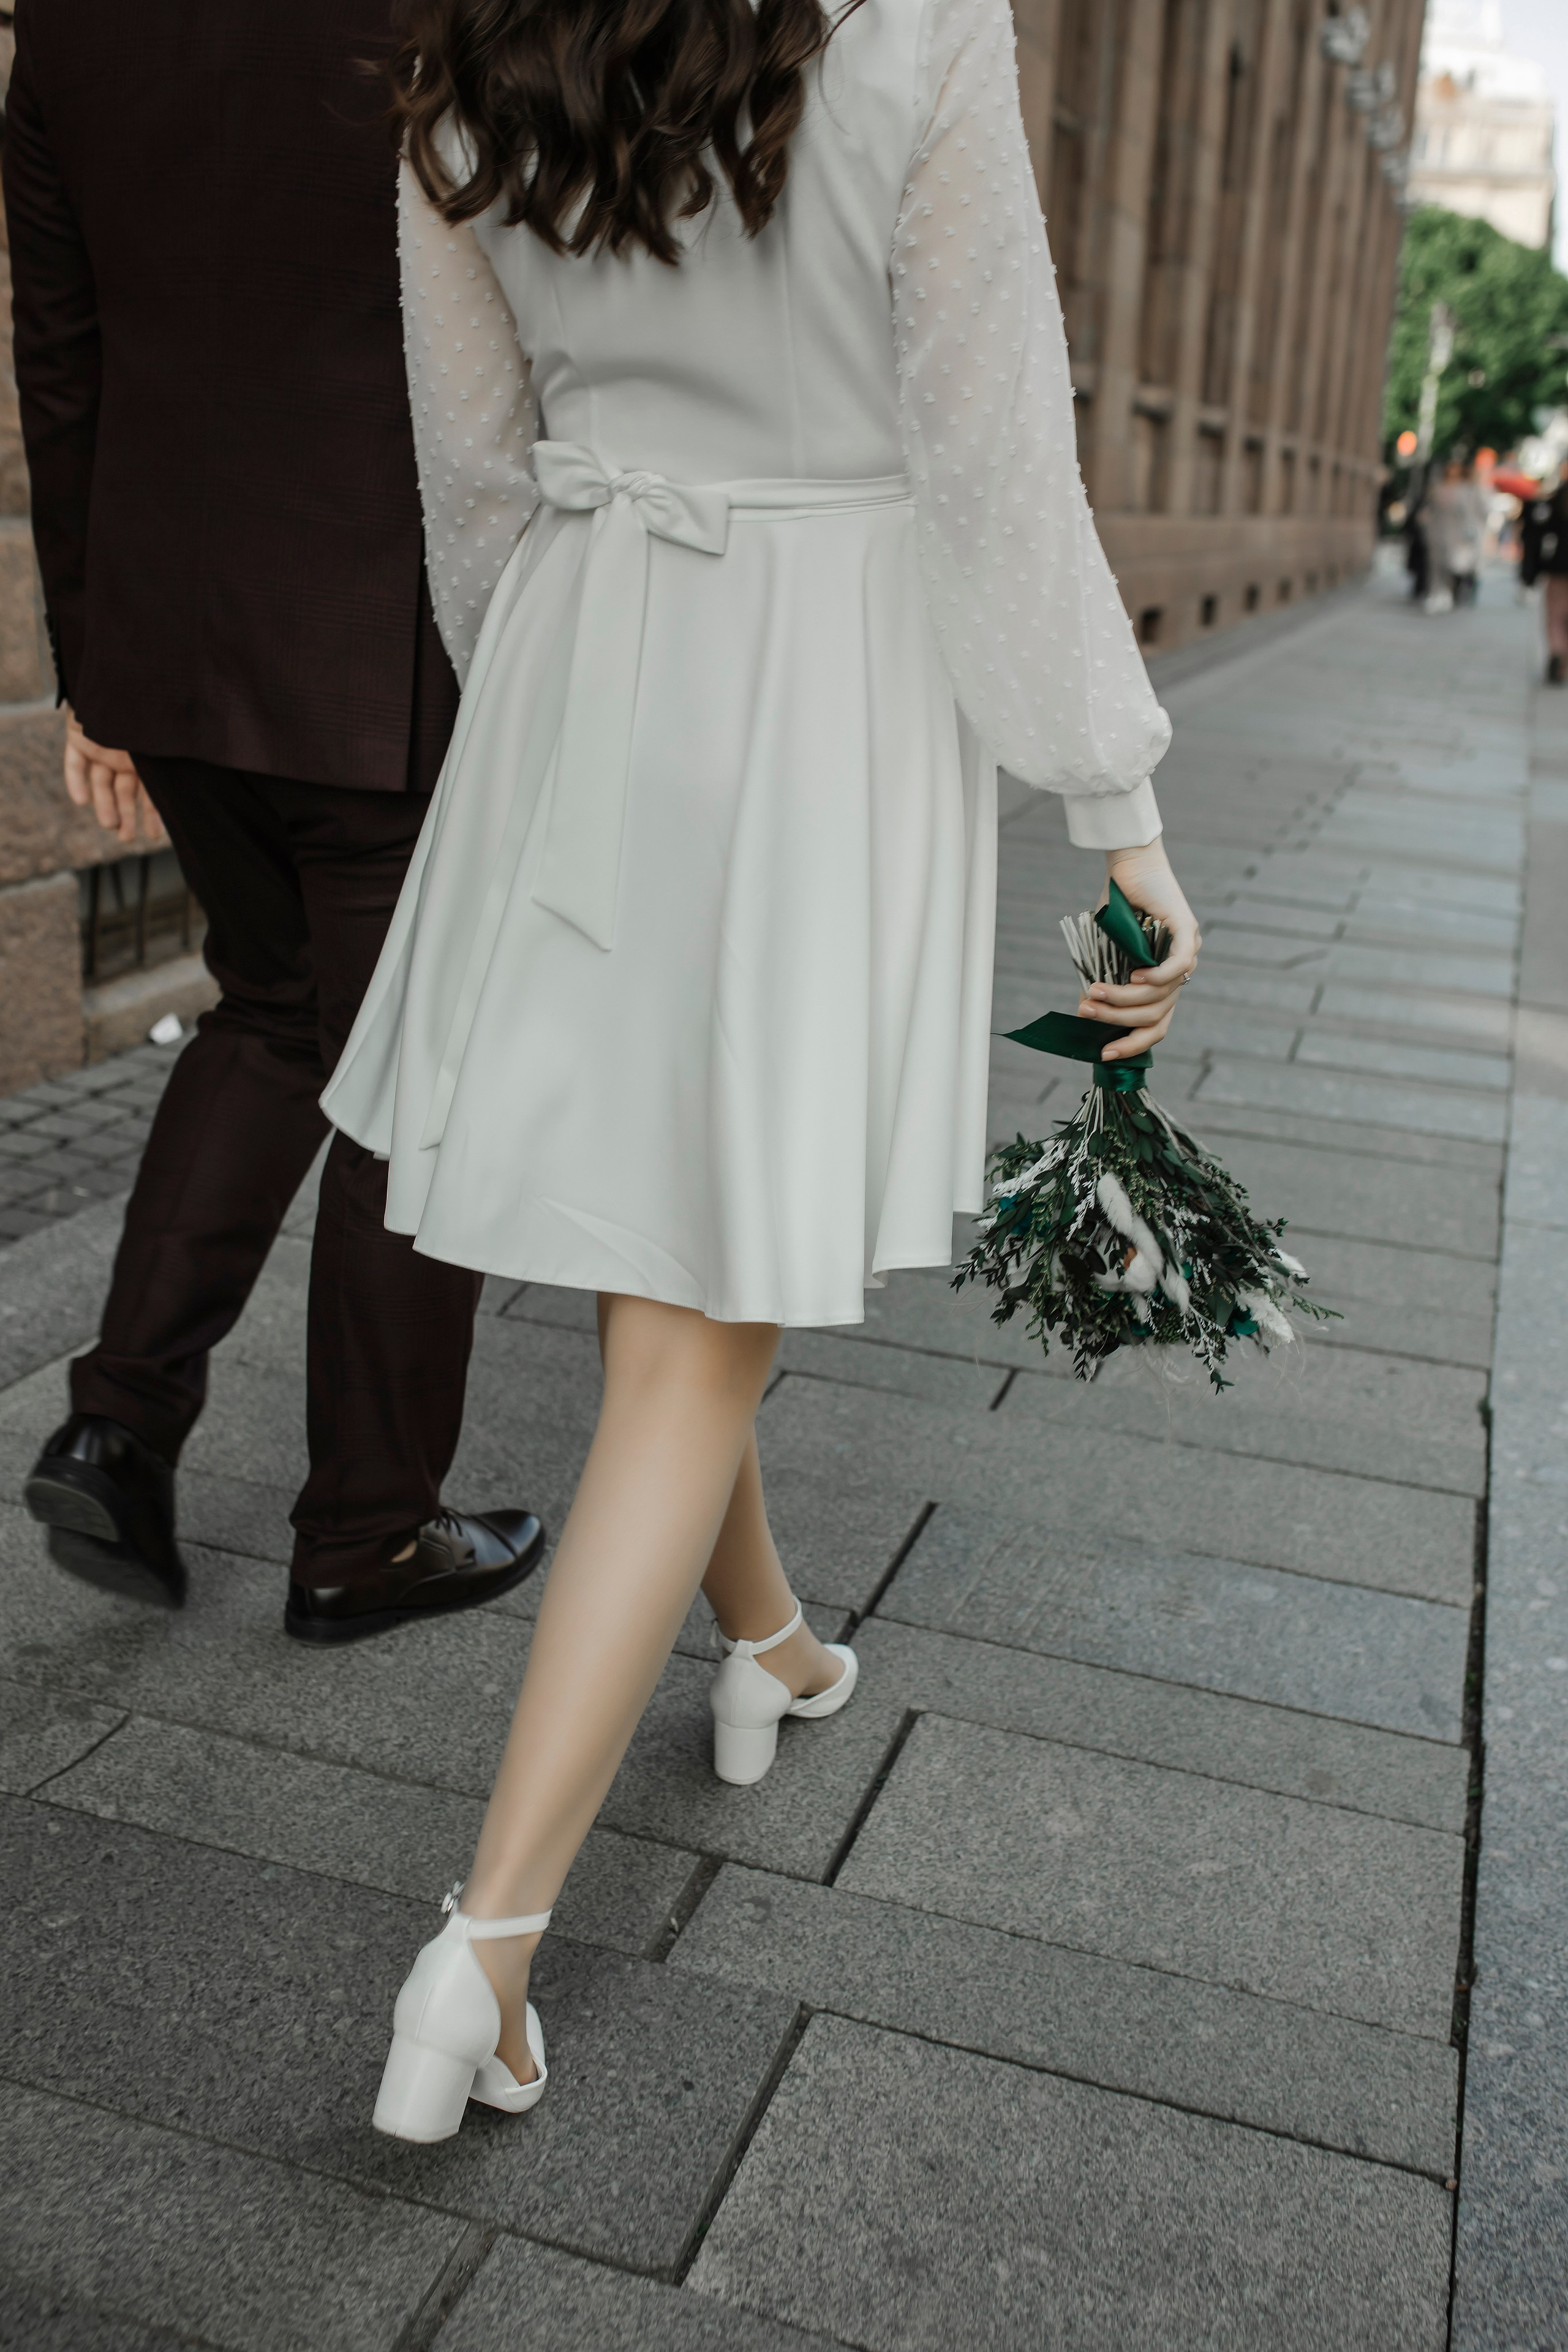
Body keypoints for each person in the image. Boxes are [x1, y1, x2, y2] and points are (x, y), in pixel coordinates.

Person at [323, 0, 1201, 2139]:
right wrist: (1120, 812)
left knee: (677, 1261)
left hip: (582, 639)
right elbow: (993, 447)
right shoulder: (920, 28)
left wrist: (537, 699)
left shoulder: (464, 44)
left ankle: (774, 1644)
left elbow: (471, 462)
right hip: (824, 677)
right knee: (696, 1325)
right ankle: (489, 1953)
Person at [4, 0, 545, 1638]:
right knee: (415, 1068)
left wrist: (96, 669)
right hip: (392, 628)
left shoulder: (75, 30)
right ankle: (368, 1531)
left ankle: (120, 1417)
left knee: (277, 1011)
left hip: (181, 631)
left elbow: (62, 351)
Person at [1425, 453, 1487, 614]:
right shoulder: (1438, 487)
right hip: (1438, 532)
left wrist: (1473, 531)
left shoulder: (1469, 490)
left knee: (1453, 565)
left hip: (1459, 535)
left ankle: (1448, 594)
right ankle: (1436, 593)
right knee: (1436, 564)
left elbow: (1479, 512)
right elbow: (1430, 509)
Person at [1521, 474, 1568, 684]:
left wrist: (1533, 569)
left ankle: (1558, 651)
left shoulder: (1557, 504)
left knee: (1555, 617)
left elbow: (1537, 534)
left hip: (1558, 569)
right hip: (1557, 569)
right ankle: (1562, 660)